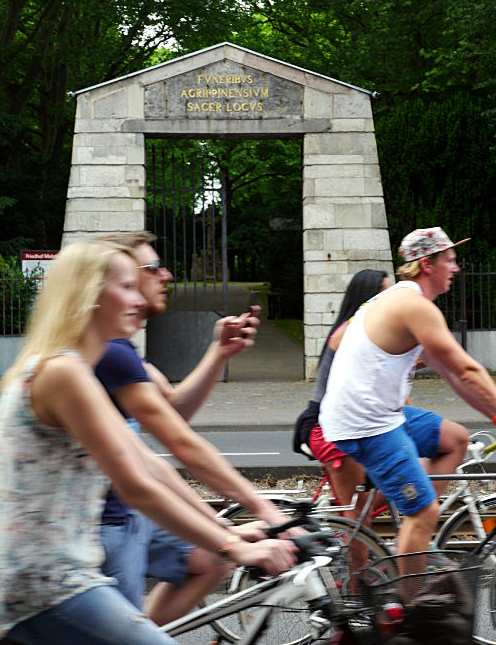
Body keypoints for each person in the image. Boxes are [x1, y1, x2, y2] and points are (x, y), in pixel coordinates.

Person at [0, 241, 296, 645]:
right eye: (126, 286)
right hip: (46, 583)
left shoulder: (73, 368)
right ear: (88, 296)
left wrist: (227, 531)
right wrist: (233, 545)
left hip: (42, 577)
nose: (139, 298)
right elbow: (137, 484)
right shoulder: (63, 372)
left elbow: (149, 464)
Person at [94, 231, 294, 626]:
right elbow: (179, 442)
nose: (166, 275)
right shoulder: (108, 354)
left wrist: (218, 352)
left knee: (210, 558)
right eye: (150, 269)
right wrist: (259, 509)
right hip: (105, 524)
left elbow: (171, 413)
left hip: (132, 512)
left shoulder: (120, 352)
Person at [319, 227, 496, 590]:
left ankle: (395, 514)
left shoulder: (404, 301)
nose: (456, 268)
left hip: (380, 414)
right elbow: (467, 370)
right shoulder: (413, 305)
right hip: (366, 423)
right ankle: (409, 615)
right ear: (427, 264)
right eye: (450, 260)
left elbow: (454, 375)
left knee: (455, 439)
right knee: (424, 510)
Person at [294, 269, 469, 528]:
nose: (391, 298)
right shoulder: (353, 332)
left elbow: (392, 390)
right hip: (330, 424)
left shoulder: (381, 332)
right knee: (359, 514)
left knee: (453, 439)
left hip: (374, 415)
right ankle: (355, 550)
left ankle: (413, 521)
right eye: (384, 292)